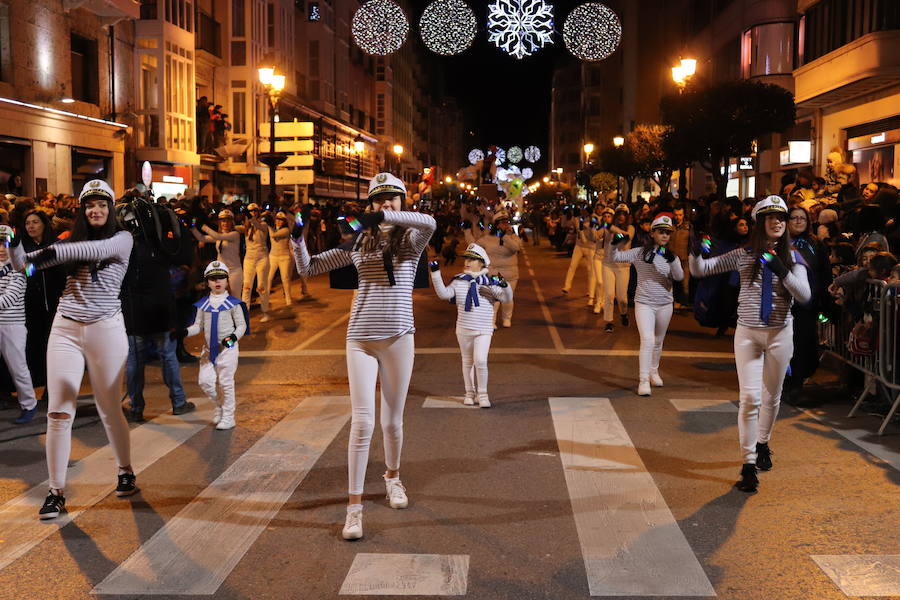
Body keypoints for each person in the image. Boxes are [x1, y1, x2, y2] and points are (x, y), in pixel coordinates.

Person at [291, 172, 435, 541]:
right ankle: (354, 508)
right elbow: (309, 268)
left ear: (402, 202)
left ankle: (393, 478)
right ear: (369, 203)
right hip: (360, 340)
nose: (387, 203)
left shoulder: (410, 242)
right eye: (380, 199)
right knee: (362, 423)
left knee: (392, 422)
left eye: (394, 198)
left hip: (400, 339)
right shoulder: (357, 243)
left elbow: (430, 222)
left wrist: (384, 217)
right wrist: (297, 237)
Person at [7, 179, 137, 520]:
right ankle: (55, 491)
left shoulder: (122, 240)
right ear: (83, 210)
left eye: (102, 205)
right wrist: (13, 247)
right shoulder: (67, 240)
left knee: (109, 408)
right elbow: (27, 267)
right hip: (65, 327)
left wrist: (40, 252)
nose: (96, 210)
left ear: (110, 210)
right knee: (58, 411)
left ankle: (124, 470)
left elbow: (81, 253)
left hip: (106, 328)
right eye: (90, 205)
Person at [690, 196, 811, 493]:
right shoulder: (743, 254)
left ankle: (763, 443)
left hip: (780, 333)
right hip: (747, 333)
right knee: (750, 399)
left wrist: (782, 269)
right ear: (759, 223)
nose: (778, 222)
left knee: (772, 397)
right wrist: (695, 252)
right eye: (770, 217)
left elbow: (805, 295)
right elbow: (701, 269)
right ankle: (747, 464)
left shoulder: (795, 257)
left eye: (781, 217)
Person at [429, 243, 512, 408]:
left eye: (472, 259)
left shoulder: (488, 282)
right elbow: (444, 294)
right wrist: (435, 273)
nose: (467, 262)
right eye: (466, 258)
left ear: (482, 263)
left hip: (483, 329)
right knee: (467, 361)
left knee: (480, 360)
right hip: (464, 328)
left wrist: (504, 285)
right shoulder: (459, 280)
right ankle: (469, 393)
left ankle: (483, 395)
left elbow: (505, 298)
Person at [609, 214, 683, 396]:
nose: (665, 236)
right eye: (661, 232)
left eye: (668, 232)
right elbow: (615, 257)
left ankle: (653, 372)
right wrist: (614, 243)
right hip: (644, 303)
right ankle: (643, 380)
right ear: (652, 233)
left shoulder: (672, 256)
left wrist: (671, 259)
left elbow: (679, 276)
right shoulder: (640, 252)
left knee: (658, 341)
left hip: (665, 304)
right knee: (648, 340)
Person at [180, 261, 248, 430]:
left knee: (226, 383)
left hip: (227, 350)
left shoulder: (233, 303)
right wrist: (184, 332)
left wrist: (231, 339)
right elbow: (199, 325)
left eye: (221, 278)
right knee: (205, 382)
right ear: (207, 282)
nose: (217, 282)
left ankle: (229, 416)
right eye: (213, 279)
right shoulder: (203, 304)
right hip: (209, 350)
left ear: (227, 280)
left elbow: (241, 326)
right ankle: (219, 406)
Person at [22, 210, 65, 396]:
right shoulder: (22, 249)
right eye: (28, 223)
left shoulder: (56, 247)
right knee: (34, 346)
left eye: (35, 222)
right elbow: (25, 273)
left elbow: (62, 275)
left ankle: (51, 388)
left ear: (44, 225)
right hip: (30, 306)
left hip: (53, 305)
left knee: (52, 348)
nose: (31, 226)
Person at [0, 227, 38, 423]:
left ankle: (29, 405)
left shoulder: (20, 266)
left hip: (12, 324)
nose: (1, 248)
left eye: (5, 243)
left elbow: (9, 298)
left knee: (17, 367)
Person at [191, 209, 244, 299]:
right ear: (219, 223)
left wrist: (203, 225)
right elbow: (201, 238)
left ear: (232, 222)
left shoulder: (235, 234)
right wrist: (192, 225)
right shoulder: (218, 235)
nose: (225, 223)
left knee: (235, 299)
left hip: (234, 271)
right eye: (223, 221)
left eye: (228, 221)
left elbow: (218, 236)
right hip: (221, 271)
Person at [601, 207, 634, 332]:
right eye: (618, 214)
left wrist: (612, 228)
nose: (621, 217)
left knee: (622, 298)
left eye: (623, 214)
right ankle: (608, 321)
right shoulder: (609, 227)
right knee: (609, 294)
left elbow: (624, 238)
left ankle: (624, 313)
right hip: (608, 264)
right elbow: (599, 232)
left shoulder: (631, 228)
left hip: (623, 266)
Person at [238, 203, 271, 322]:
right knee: (246, 286)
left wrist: (249, 216)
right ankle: (244, 313)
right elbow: (234, 228)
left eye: (255, 211)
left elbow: (256, 223)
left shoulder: (263, 225)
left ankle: (265, 311)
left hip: (262, 258)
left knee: (261, 286)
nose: (253, 213)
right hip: (249, 258)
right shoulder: (246, 227)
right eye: (251, 211)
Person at [266, 210, 304, 306]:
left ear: (284, 221)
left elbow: (273, 235)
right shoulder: (273, 227)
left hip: (284, 257)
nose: (278, 221)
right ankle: (265, 298)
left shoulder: (286, 230)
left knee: (285, 278)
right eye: (277, 219)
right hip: (273, 256)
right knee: (269, 278)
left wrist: (268, 225)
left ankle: (288, 299)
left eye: (281, 220)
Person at [562, 208, 597, 306]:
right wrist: (565, 215)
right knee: (572, 265)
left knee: (590, 270)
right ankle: (567, 286)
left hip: (590, 248)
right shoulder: (577, 219)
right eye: (581, 210)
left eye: (585, 210)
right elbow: (565, 224)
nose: (583, 211)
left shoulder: (594, 219)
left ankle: (591, 292)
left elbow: (595, 233)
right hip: (579, 246)